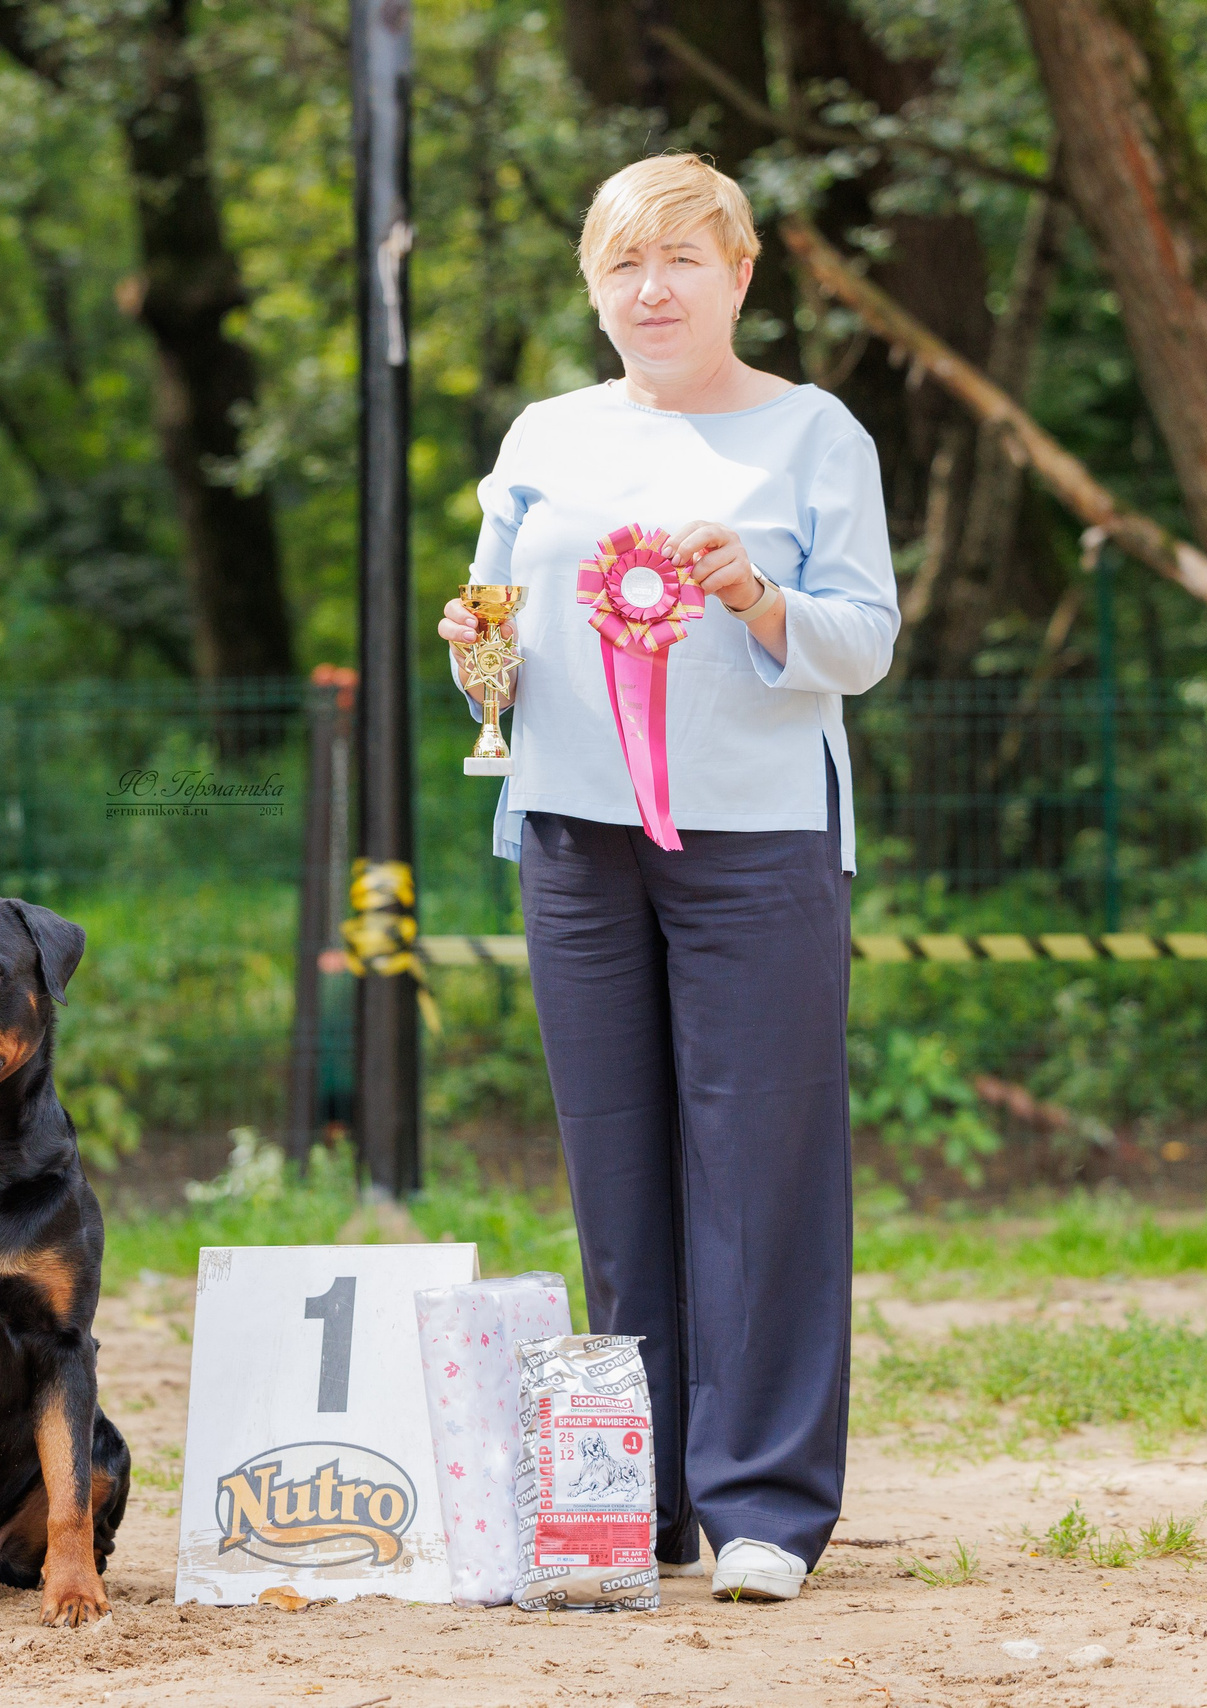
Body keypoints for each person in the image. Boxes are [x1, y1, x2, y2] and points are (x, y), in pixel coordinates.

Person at [437, 153, 898, 1603]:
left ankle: (762, 1509)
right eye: (625, 263)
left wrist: (761, 598)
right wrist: (472, 657)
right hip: (573, 839)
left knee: (761, 1169)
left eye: (683, 259)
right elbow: (492, 635)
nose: (652, 288)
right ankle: (628, 1503)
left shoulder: (815, 434)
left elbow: (866, 640)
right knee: (617, 1164)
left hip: (759, 839)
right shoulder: (545, 432)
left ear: (741, 276)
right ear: (594, 285)